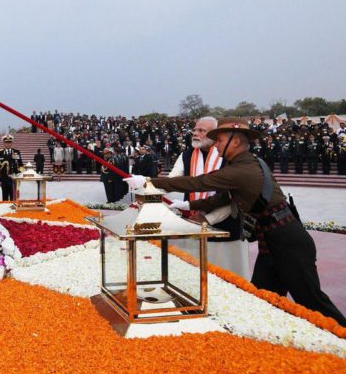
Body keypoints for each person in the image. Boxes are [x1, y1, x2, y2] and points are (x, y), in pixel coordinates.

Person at [124, 117, 346, 325]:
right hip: (272, 240)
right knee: (263, 298)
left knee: (312, 302)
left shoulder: (241, 170)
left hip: (288, 242)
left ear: (236, 141)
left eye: (220, 140)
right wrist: (188, 205)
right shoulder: (244, 164)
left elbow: (198, 182)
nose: (216, 144)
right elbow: (224, 198)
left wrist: (149, 181)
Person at [167, 116, 249, 279]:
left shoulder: (231, 157)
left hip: (224, 228)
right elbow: (172, 180)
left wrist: (208, 219)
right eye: (195, 130)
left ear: (215, 135)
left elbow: (233, 199)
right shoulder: (187, 154)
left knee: (225, 278)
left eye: (202, 130)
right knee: (195, 276)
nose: (195, 133)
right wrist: (149, 186)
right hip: (194, 223)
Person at [0, 134, 23, 201]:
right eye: (6, 142)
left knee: (13, 197)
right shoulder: (0, 153)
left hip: (13, 178)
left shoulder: (16, 152)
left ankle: (13, 207)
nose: (8, 144)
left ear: (12, 143)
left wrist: (19, 175)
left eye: (9, 142)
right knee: (5, 197)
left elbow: (21, 165)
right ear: (4, 143)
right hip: (4, 178)